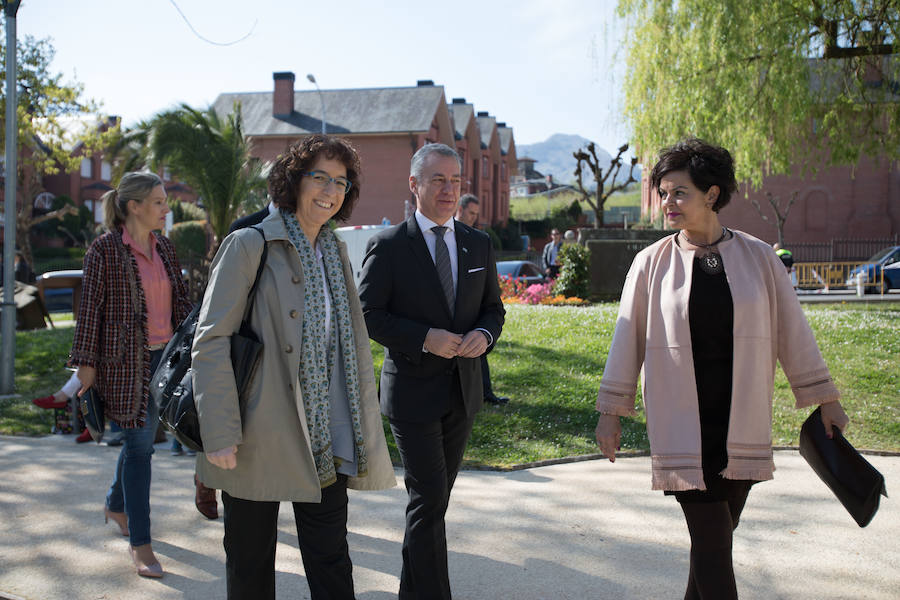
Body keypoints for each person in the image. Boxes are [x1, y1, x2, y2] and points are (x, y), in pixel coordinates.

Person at [594, 138, 849, 600]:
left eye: (679, 192)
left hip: (742, 423)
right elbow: (626, 339)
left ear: (711, 195)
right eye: (663, 192)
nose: (667, 203)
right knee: (713, 545)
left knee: (713, 545)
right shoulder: (650, 264)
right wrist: (611, 411)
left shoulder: (760, 258)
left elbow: (795, 332)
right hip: (682, 425)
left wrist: (826, 399)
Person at [192, 134, 395, 600]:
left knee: (330, 560)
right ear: (292, 180)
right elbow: (212, 340)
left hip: (325, 434)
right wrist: (220, 432)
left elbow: (346, 347)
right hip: (253, 434)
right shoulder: (249, 244)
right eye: (319, 176)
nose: (330, 189)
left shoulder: (335, 250)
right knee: (250, 563)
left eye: (341, 182)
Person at [359, 143, 505, 600]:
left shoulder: (477, 242)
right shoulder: (387, 246)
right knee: (428, 500)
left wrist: (485, 335)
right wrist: (424, 337)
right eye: (437, 180)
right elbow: (368, 314)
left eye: (455, 181)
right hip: (412, 396)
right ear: (414, 184)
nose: (448, 189)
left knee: (434, 504)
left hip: (463, 393)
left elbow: (493, 310)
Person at [69, 172, 193, 578]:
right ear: (134, 206)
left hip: (167, 363)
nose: (166, 208)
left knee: (138, 443)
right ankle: (141, 544)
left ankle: (115, 504)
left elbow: (182, 305)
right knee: (141, 449)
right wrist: (85, 364)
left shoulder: (166, 248)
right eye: (158, 202)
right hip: (125, 365)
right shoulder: (103, 251)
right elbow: (89, 311)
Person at [455, 194, 509, 405]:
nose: (473, 218)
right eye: (471, 213)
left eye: (476, 215)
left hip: (476, 314)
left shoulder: (478, 239)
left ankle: (485, 393)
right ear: (460, 209)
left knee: (480, 352)